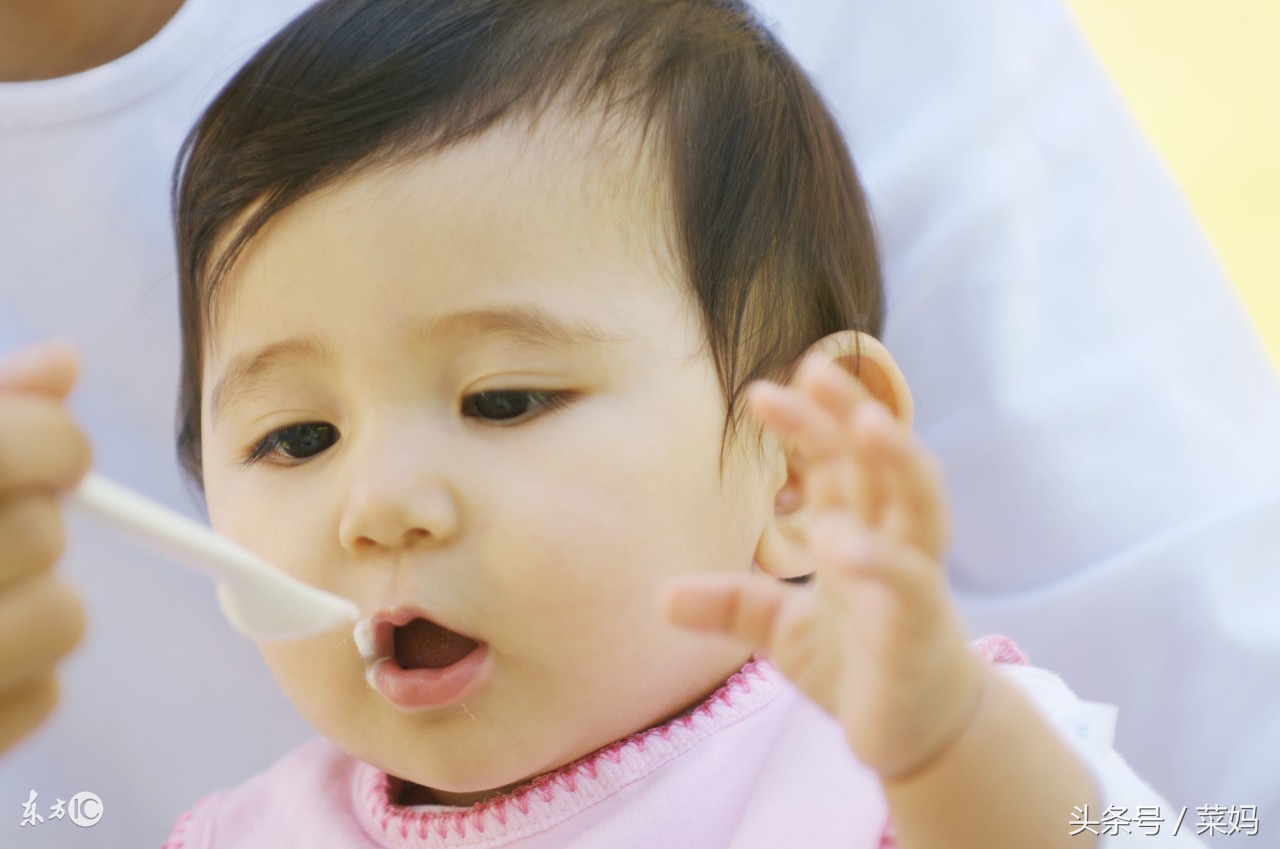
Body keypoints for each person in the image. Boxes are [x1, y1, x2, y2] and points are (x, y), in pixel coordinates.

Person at [4, 0, 1278, 844]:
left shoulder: (887, 755)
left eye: (503, 399)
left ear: (795, 468)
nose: (378, 501)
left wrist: (947, 747)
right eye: (294, 439)